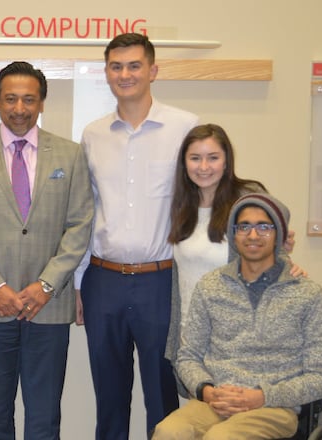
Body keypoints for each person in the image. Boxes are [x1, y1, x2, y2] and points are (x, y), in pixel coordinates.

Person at [0, 61, 93, 439]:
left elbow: (80, 224)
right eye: (10, 98)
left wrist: (46, 285)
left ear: (41, 103)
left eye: (29, 99)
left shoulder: (70, 154)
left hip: (49, 306)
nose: (19, 108)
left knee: (45, 419)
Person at [75, 32, 199, 439]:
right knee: (108, 396)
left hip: (159, 282)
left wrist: (276, 230)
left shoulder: (185, 127)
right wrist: (78, 285)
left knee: (162, 396)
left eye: (134, 66)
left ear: (152, 70)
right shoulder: (93, 135)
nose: (124, 74)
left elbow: (216, 187)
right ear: (106, 73)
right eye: (116, 66)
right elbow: (83, 212)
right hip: (103, 280)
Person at [152, 193, 322, 439]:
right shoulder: (210, 286)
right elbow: (188, 356)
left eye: (263, 227)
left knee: (221, 438)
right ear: (233, 235)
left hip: (273, 406)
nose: (252, 235)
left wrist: (262, 396)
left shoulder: (306, 294)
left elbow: (321, 377)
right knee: (167, 432)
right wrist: (208, 392)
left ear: (278, 234)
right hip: (217, 400)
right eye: (244, 226)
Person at [164, 124, 303, 386]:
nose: (204, 166)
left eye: (213, 157)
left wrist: (285, 261)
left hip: (235, 338)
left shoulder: (247, 196)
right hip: (191, 332)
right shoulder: (183, 205)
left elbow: (276, 229)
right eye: (195, 158)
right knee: (199, 413)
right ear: (184, 163)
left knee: (231, 414)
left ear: (227, 161)